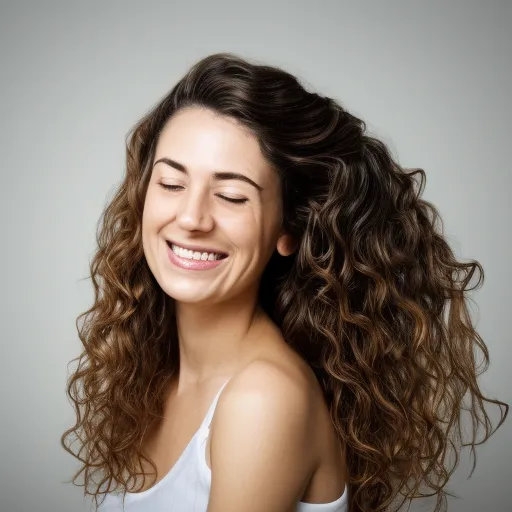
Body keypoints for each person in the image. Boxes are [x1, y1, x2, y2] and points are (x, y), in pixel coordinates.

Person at [61, 53, 508, 512]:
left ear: (287, 230)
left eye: (232, 196)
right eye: (171, 184)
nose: (191, 217)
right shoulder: (156, 376)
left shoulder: (263, 400)